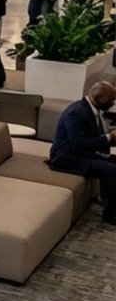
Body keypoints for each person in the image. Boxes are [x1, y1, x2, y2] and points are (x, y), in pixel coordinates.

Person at [48, 81, 116, 225]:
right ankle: (110, 213)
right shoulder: (76, 113)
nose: (113, 103)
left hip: (82, 154)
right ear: (99, 98)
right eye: (111, 100)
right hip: (67, 159)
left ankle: (108, 200)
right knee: (112, 170)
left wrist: (107, 138)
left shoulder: (90, 109)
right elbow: (78, 144)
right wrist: (108, 138)